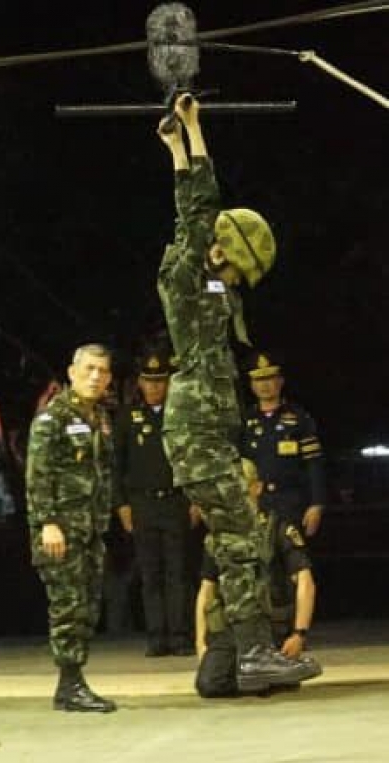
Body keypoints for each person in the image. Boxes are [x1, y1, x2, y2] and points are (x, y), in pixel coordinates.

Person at [156, 93, 320, 692]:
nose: (237, 281)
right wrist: (194, 134)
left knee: (234, 536)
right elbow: (198, 212)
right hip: (196, 430)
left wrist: (179, 144)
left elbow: (202, 213)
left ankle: (235, 660)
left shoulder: (213, 289)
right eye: (234, 267)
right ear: (217, 253)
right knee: (241, 535)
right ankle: (253, 652)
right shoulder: (188, 278)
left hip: (207, 431)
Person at [26, 343, 116, 713]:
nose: (96, 377)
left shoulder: (100, 419)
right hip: (60, 531)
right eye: (90, 369)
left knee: (87, 607)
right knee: (68, 607)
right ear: (72, 372)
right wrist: (47, 522)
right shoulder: (54, 418)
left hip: (89, 530)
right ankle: (70, 683)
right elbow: (38, 474)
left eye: (103, 371)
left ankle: (72, 683)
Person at [195, 459, 317, 697]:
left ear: (256, 488)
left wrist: (299, 634)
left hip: (271, 626)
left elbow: (305, 582)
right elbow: (206, 591)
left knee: (271, 683)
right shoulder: (221, 535)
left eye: (241, 486)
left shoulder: (278, 528)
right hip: (234, 627)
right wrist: (200, 643)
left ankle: (270, 672)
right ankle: (255, 677)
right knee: (209, 684)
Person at [113, 350, 196, 656]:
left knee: (178, 572)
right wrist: (121, 505)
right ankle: (156, 637)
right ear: (140, 383)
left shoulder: (182, 417)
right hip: (142, 504)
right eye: (149, 381)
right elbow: (115, 466)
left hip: (175, 501)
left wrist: (195, 501)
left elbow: (192, 461)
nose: (154, 387)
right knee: (150, 574)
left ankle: (179, 636)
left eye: (160, 381)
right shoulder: (127, 417)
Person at [242, 352, 326, 535]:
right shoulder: (244, 422)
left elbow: (314, 464)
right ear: (252, 384)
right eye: (259, 379)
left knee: (294, 559)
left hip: (291, 504)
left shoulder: (299, 418)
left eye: (270, 378)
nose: (264, 385)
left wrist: (317, 504)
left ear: (280, 381)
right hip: (254, 504)